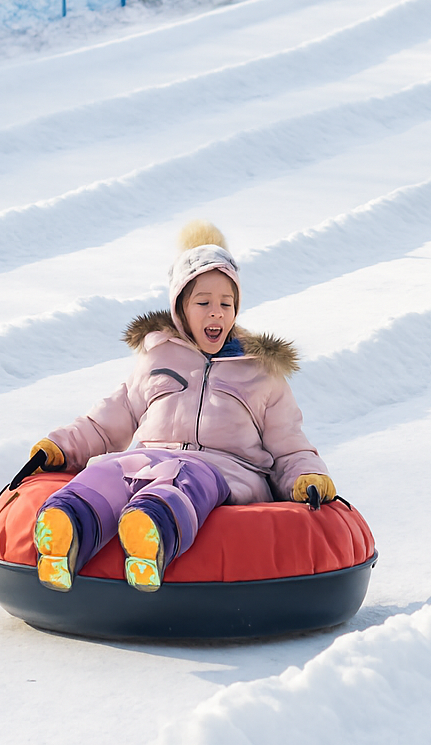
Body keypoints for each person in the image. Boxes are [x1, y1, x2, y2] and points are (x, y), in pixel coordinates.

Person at [25, 221, 334, 593]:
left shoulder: (260, 373)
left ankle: (150, 534)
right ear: (180, 310)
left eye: (226, 303)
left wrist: (305, 476)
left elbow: (290, 445)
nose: (216, 313)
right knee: (111, 471)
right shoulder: (158, 358)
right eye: (203, 303)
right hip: (148, 458)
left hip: (222, 472)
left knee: (185, 478)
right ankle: (65, 527)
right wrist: (62, 446)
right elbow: (108, 421)